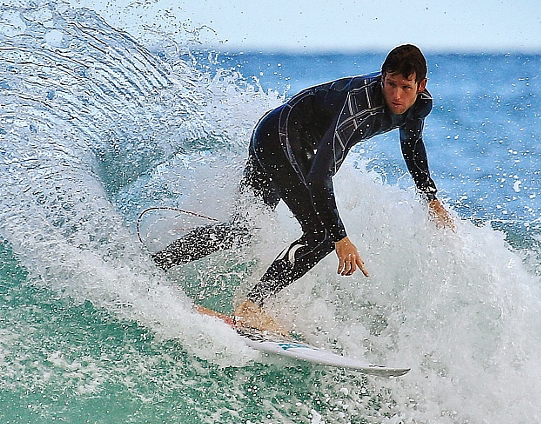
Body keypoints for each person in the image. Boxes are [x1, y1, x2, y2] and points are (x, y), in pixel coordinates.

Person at [152, 44, 454, 332]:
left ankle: (156, 264)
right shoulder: (360, 105)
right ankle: (251, 305)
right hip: (277, 137)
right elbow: (320, 175)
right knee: (322, 236)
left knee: (244, 230)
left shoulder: (420, 107)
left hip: (289, 142)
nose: (396, 95)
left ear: (422, 86)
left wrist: (431, 198)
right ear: (382, 76)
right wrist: (341, 238)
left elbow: (412, 144)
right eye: (390, 84)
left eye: (405, 87)